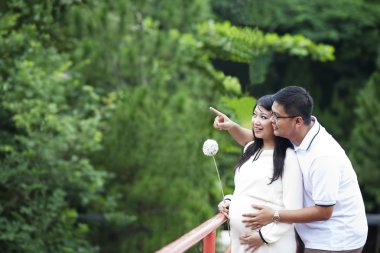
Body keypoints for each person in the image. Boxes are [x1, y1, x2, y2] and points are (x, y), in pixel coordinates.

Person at [212, 86, 368, 253]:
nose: (271, 121)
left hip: (335, 240)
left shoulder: (323, 156)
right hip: (310, 235)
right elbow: (257, 140)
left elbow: (324, 212)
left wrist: (274, 216)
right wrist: (231, 126)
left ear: (298, 121)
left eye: (276, 117)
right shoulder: (296, 135)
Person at [215, 95, 303, 253]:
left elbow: (293, 209)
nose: (256, 121)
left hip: (271, 245)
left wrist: (263, 236)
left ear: (276, 121)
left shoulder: (288, 158)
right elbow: (248, 189)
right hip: (243, 243)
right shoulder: (250, 150)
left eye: (263, 117)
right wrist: (231, 201)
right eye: (254, 115)